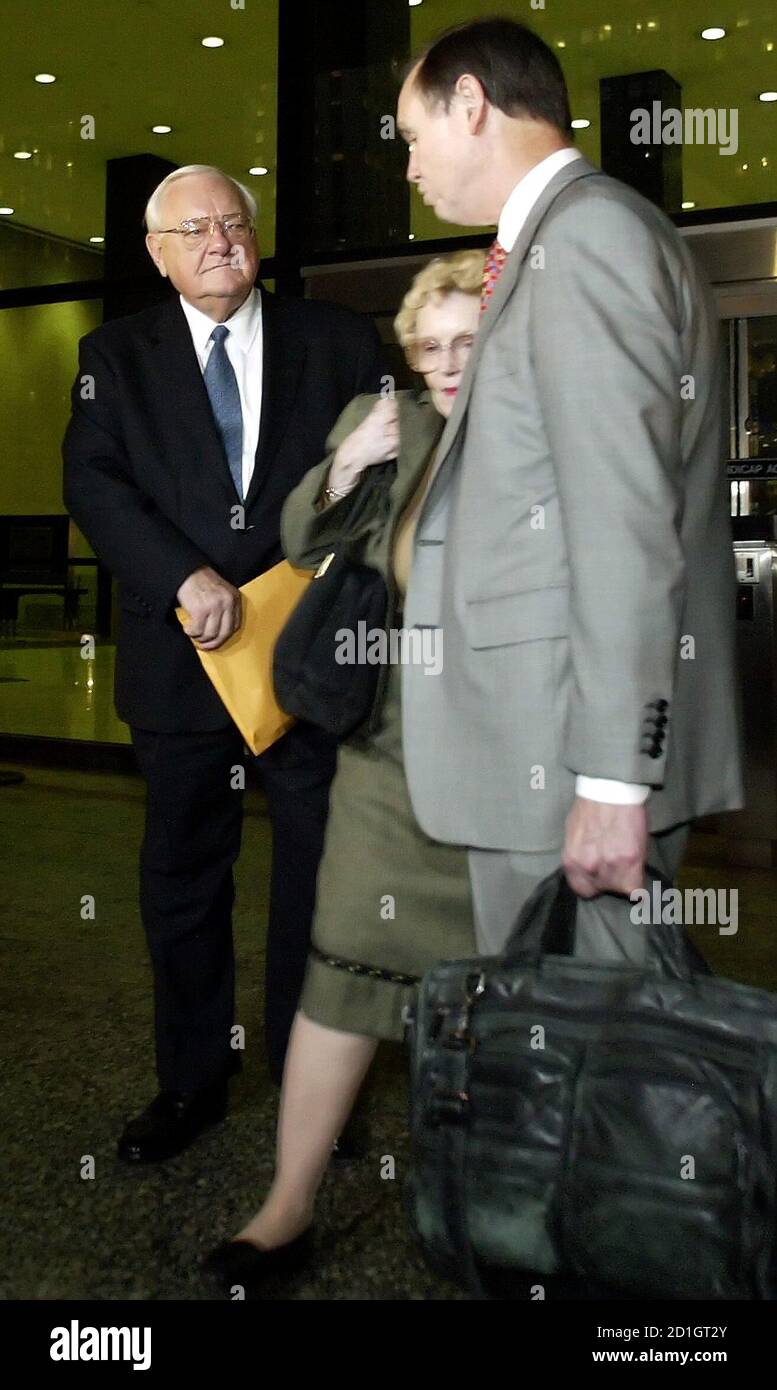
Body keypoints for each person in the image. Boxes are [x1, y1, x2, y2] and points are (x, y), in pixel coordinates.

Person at [393, 17, 743, 957]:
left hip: (561, 757)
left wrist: (612, 782)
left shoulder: (584, 241)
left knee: (577, 1074)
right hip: (543, 748)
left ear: (469, 106)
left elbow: (623, 522)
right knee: (562, 1067)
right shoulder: (567, 241)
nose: (410, 167)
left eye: (413, 137)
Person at [62, 164, 385, 1163]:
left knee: (315, 880)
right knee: (184, 880)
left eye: (235, 223)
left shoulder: (336, 341)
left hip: (307, 667)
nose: (219, 240)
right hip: (182, 663)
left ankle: (310, 1084)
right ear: (157, 254)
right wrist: (179, 577)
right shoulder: (112, 357)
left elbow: (386, 482)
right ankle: (192, 1080)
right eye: (193, 228)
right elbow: (94, 480)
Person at [205, 249, 484, 1294]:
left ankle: (504, 1201)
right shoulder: (394, 428)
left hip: (510, 770)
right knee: (341, 974)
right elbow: (296, 535)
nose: (449, 362)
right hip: (388, 753)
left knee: (505, 995)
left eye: (469, 340)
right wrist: (348, 462)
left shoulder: (546, 427)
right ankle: (286, 1207)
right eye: (431, 346)